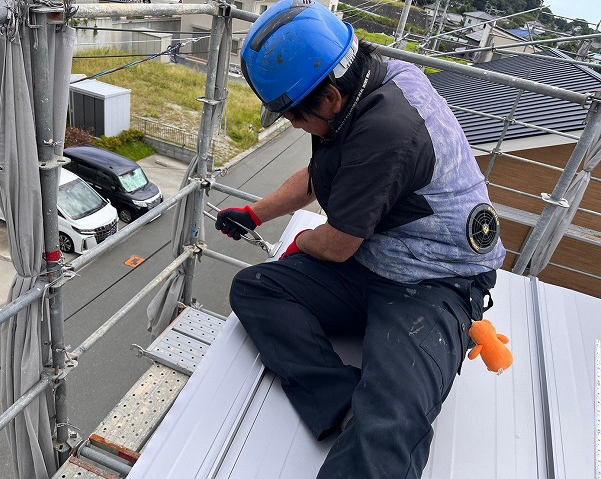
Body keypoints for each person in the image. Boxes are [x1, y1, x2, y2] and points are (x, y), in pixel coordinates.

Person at [215, 0, 506, 477]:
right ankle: (342, 403)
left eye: (292, 116)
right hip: (375, 259)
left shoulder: (388, 129)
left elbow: (336, 244)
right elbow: (320, 175)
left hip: (433, 282)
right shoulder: (365, 88)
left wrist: (301, 244)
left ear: (328, 96)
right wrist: (254, 214)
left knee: (392, 420)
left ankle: (373, 419)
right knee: (255, 289)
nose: (291, 125)